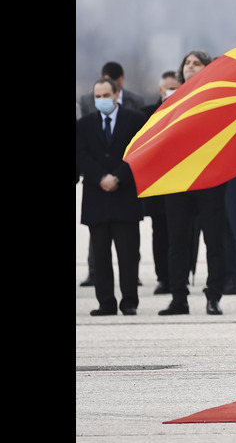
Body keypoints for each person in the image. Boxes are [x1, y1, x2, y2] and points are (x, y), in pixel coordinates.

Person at [159, 50, 227, 316]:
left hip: (210, 179)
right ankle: (179, 297)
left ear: (207, 68)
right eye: (187, 63)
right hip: (178, 181)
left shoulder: (219, 98)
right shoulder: (172, 100)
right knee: (177, 242)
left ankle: (214, 296)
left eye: (196, 63)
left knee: (214, 241)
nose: (190, 67)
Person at [76, 78, 147, 315]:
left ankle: (129, 302)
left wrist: (118, 177)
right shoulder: (84, 124)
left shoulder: (135, 120)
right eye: (98, 96)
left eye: (106, 95)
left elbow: (138, 152)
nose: (102, 100)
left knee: (128, 255)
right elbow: (81, 155)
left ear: (117, 95)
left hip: (125, 195)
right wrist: (100, 177)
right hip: (97, 196)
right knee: (101, 256)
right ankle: (105, 302)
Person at [140, 71, 181, 295]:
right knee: (160, 232)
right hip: (157, 184)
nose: (172, 92)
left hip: (180, 183)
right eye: (169, 88)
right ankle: (163, 278)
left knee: (180, 235)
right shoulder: (146, 114)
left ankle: (179, 279)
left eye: (176, 87)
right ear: (160, 89)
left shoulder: (186, 110)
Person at [78, 61, 146, 116]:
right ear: (101, 78)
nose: (114, 88)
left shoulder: (136, 101)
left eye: (118, 85)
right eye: (109, 84)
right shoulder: (87, 101)